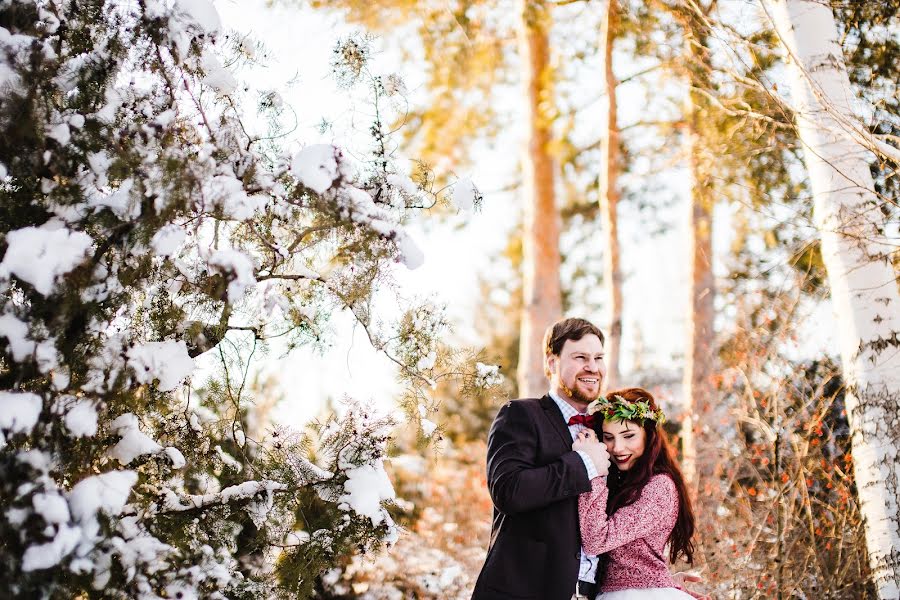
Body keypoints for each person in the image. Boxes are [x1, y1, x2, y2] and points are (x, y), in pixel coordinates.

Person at [472, 317, 612, 600]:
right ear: (552, 363)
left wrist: (656, 581)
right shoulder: (520, 414)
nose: (593, 367)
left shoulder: (607, 431)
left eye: (598, 357)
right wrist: (582, 464)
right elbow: (508, 490)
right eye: (580, 357)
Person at [574, 387, 700, 600]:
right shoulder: (624, 481)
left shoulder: (659, 486)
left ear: (649, 435)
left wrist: (591, 470)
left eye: (629, 436)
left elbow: (596, 540)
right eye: (609, 437)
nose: (617, 448)